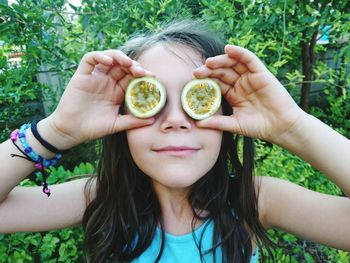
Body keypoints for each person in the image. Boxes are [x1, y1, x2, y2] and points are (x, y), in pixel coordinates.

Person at [0, 19, 349, 263]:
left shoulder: (254, 201)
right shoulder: (100, 197)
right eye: (149, 100)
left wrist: (291, 126)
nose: (176, 121)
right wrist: (57, 131)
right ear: (119, 119)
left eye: (197, 100)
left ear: (226, 114)